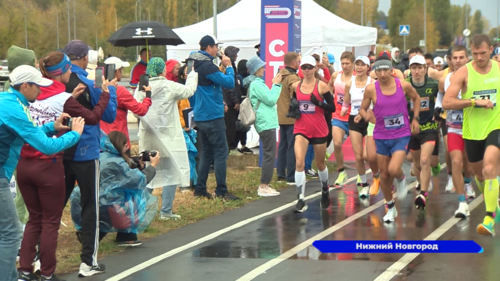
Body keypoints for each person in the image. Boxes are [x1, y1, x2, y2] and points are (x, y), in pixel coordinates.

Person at [17, 51, 111, 281]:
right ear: (65, 69)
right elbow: (97, 116)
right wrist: (106, 94)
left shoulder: (29, 93)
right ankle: (87, 262)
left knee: (44, 215)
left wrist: (70, 95)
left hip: (45, 157)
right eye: (69, 69)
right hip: (81, 153)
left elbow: (50, 108)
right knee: (90, 207)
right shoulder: (72, 90)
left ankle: (34, 265)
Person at [0, 65, 84, 281]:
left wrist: (52, 126)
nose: (40, 90)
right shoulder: (13, 107)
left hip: (19, 171)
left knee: (20, 227)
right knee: (11, 234)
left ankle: (20, 273)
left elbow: (28, 131)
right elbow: (46, 147)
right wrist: (75, 135)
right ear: (25, 86)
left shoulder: (10, 101)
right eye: (37, 86)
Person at [62, 39, 117, 277]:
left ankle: (36, 259)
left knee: (53, 207)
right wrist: (110, 89)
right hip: (86, 151)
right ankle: (88, 262)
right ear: (85, 57)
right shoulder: (88, 81)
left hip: (60, 149)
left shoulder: (56, 81)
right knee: (90, 206)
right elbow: (110, 114)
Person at [443, 34, 500, 236]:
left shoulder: (498, 69)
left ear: (491, 50)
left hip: (496, 126)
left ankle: (489, 218)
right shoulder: (464, 73)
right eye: (475, 54)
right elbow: (447, 102)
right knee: (479, 174)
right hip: (472, 130)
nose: (479, 57)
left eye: (483, 53)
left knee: (490, 166)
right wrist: (474, 102)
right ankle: (494, 200)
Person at [135, 57, 198, 220]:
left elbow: (135, 108)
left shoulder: (140, 88)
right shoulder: (169, 86)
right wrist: (191, 74)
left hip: (148, 136)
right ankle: (166, 211)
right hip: (168, 137)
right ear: (163, 70)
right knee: (171, 172)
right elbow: (189, 90)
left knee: (150, 171)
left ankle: (138, 211)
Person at [70, 131, 159, 247]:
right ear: (118, 145)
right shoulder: (116, 162)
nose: (127, 147)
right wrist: (152, 166)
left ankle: (89, 234)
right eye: (124, 144)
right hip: (102, 204)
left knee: (111, 198)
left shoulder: (99, 155)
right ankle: (126, 236)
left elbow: (121, 178)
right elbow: (139, 181)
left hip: (81, 200)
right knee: (132, 197)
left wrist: (138, 166)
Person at [359, 58, 421, 223]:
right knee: (384, 174)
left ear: (392, 70)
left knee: (394, 169)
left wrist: (415, 118)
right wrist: (367, 117)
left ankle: (401, 178)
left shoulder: (403, 85)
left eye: (386, 70)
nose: (382, 74)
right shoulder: (371, 89)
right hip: (381, 136)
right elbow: (363, 108)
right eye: (379, 71)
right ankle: (391, 207)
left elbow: (416, 98)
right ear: (375, 73)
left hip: (401, 133)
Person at [189, 35, 241, 201]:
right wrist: (229, 66)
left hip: (201, 114)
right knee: (221, 152)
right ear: (209, 47)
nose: (218, 50)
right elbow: (228, 83)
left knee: (206, 153)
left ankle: (200, 188)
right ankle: (221, 190)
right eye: (216, 47)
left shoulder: (194, 63)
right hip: (212, 115)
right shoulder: (207, 66)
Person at [292, 55, 336, 213]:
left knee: (320, 164)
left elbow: (332, 108)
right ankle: (300, 199)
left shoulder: (322, 86)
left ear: (315, 68)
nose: (306, 70)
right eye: (304, 67)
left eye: (309, 67)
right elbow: (294, 102)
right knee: (299, 163)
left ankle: (325, 189)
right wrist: (293, 107)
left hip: (318, 129)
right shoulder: (296, 86)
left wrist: (318, 103)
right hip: (301, 129)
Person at [437, 45, 475, 219]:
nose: (458, 61)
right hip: (453, 126)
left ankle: (468, 182)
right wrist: (439, 107)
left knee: (469, 164)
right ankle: (461, 203)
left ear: (467, 58)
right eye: (455, 58)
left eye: (461, 57)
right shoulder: (447, 78)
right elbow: (442, 96)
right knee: (456, 161)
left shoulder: (475, 76)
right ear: (450, 60)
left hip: (473, 127)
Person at [404, 55, 440, 210]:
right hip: (411, 130)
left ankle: (423, 194)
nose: (417, 71)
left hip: (429, 128)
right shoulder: (404, 86)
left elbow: (442, 99)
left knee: (425, 160)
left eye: (420, 68)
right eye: (414, 68)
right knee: (417, 163)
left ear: (425, 69)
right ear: (410, 70)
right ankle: (422, 178)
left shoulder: (434, 85)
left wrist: (439, 114)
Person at [244, 56, 282, 196]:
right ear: (256, 69)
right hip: (265, 123)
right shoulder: (257, 84)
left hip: (265, 122)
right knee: (269, 155)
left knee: (269, 154)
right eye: (261, 67)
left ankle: (265, 184)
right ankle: (264, 186)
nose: (264, 69)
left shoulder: (256, 83)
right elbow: (271, 100)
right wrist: (277, 85)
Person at [100, 56, 152, 148]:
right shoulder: (120, 91)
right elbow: (141, 110)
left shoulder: (97, 88)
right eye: (122, 70)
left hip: (101, 141)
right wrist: (148, 95)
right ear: (117, 72)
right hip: (119, 142)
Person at [341, 56, 372, 198]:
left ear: (368, 67)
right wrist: (344, 109)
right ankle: (364, 184)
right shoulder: (349, 84)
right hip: (354, 119)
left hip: (370, 119)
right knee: (359, 156)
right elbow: (346, 101)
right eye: (357, 65)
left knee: (368, 155)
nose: (359, 68)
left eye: (363, 65)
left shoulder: (373, 83)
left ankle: (376, 175)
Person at [328, 52, 355, 188]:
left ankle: (369, 176)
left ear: (353, 64)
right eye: (343, 63)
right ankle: (341, 172)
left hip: (354, 116)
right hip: (338, 115)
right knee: (337, 144)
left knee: (360, 152)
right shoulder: (336, 76)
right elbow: (328, 89)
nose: (344, 66)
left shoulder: (358, 77)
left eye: (347, 63)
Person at [277, 52, 301, 184]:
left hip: (281, 115)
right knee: (292, 146)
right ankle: (291, 175)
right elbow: (300, 91)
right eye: (298, 61)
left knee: (283, 145)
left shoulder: (280, 75)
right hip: (291, 116)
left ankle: (281, 174)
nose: (299, 64)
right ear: (293, 63)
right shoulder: (292, 78)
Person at [222, 46, 243, 156]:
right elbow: (229, 87)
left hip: (231, 100)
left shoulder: (232, 67)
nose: (236, 56)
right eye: (235, 54)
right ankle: (230, 147)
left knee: (233, 125)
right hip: (229, 102)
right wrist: (235, 101)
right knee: (230, 125)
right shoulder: (227, 68)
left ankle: (232, 145)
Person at [236, 59, 253, 154]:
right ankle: (236, 145)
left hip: (245, 103)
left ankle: (243, 145)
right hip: (241, 104)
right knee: (240, 125)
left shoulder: (247, 77)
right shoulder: (239, 78)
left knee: (245, 125)